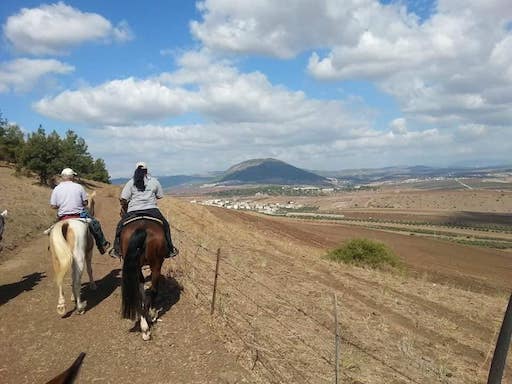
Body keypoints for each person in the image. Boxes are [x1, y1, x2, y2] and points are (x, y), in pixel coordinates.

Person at [109, 162, 177, 258]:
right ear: (147, 170)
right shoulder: (154, 181)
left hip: (133, 210)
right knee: (165, 225)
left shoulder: (130, 182)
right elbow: (160, 196)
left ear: (136, 170)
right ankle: (170, 249)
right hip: (152, 210)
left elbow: (123, 198)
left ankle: (116, 250)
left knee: (120, 226)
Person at [50, 167, 111, 254]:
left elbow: (53, 205)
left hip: (63, 216)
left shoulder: (56, 189)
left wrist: (61, 205)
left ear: (63, 177)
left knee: (54, 230)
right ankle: (103, 245)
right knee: (95, 223)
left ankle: (52, 247)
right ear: (72, 177)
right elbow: (85, 203)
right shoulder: (79, 187)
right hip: (78, 214)